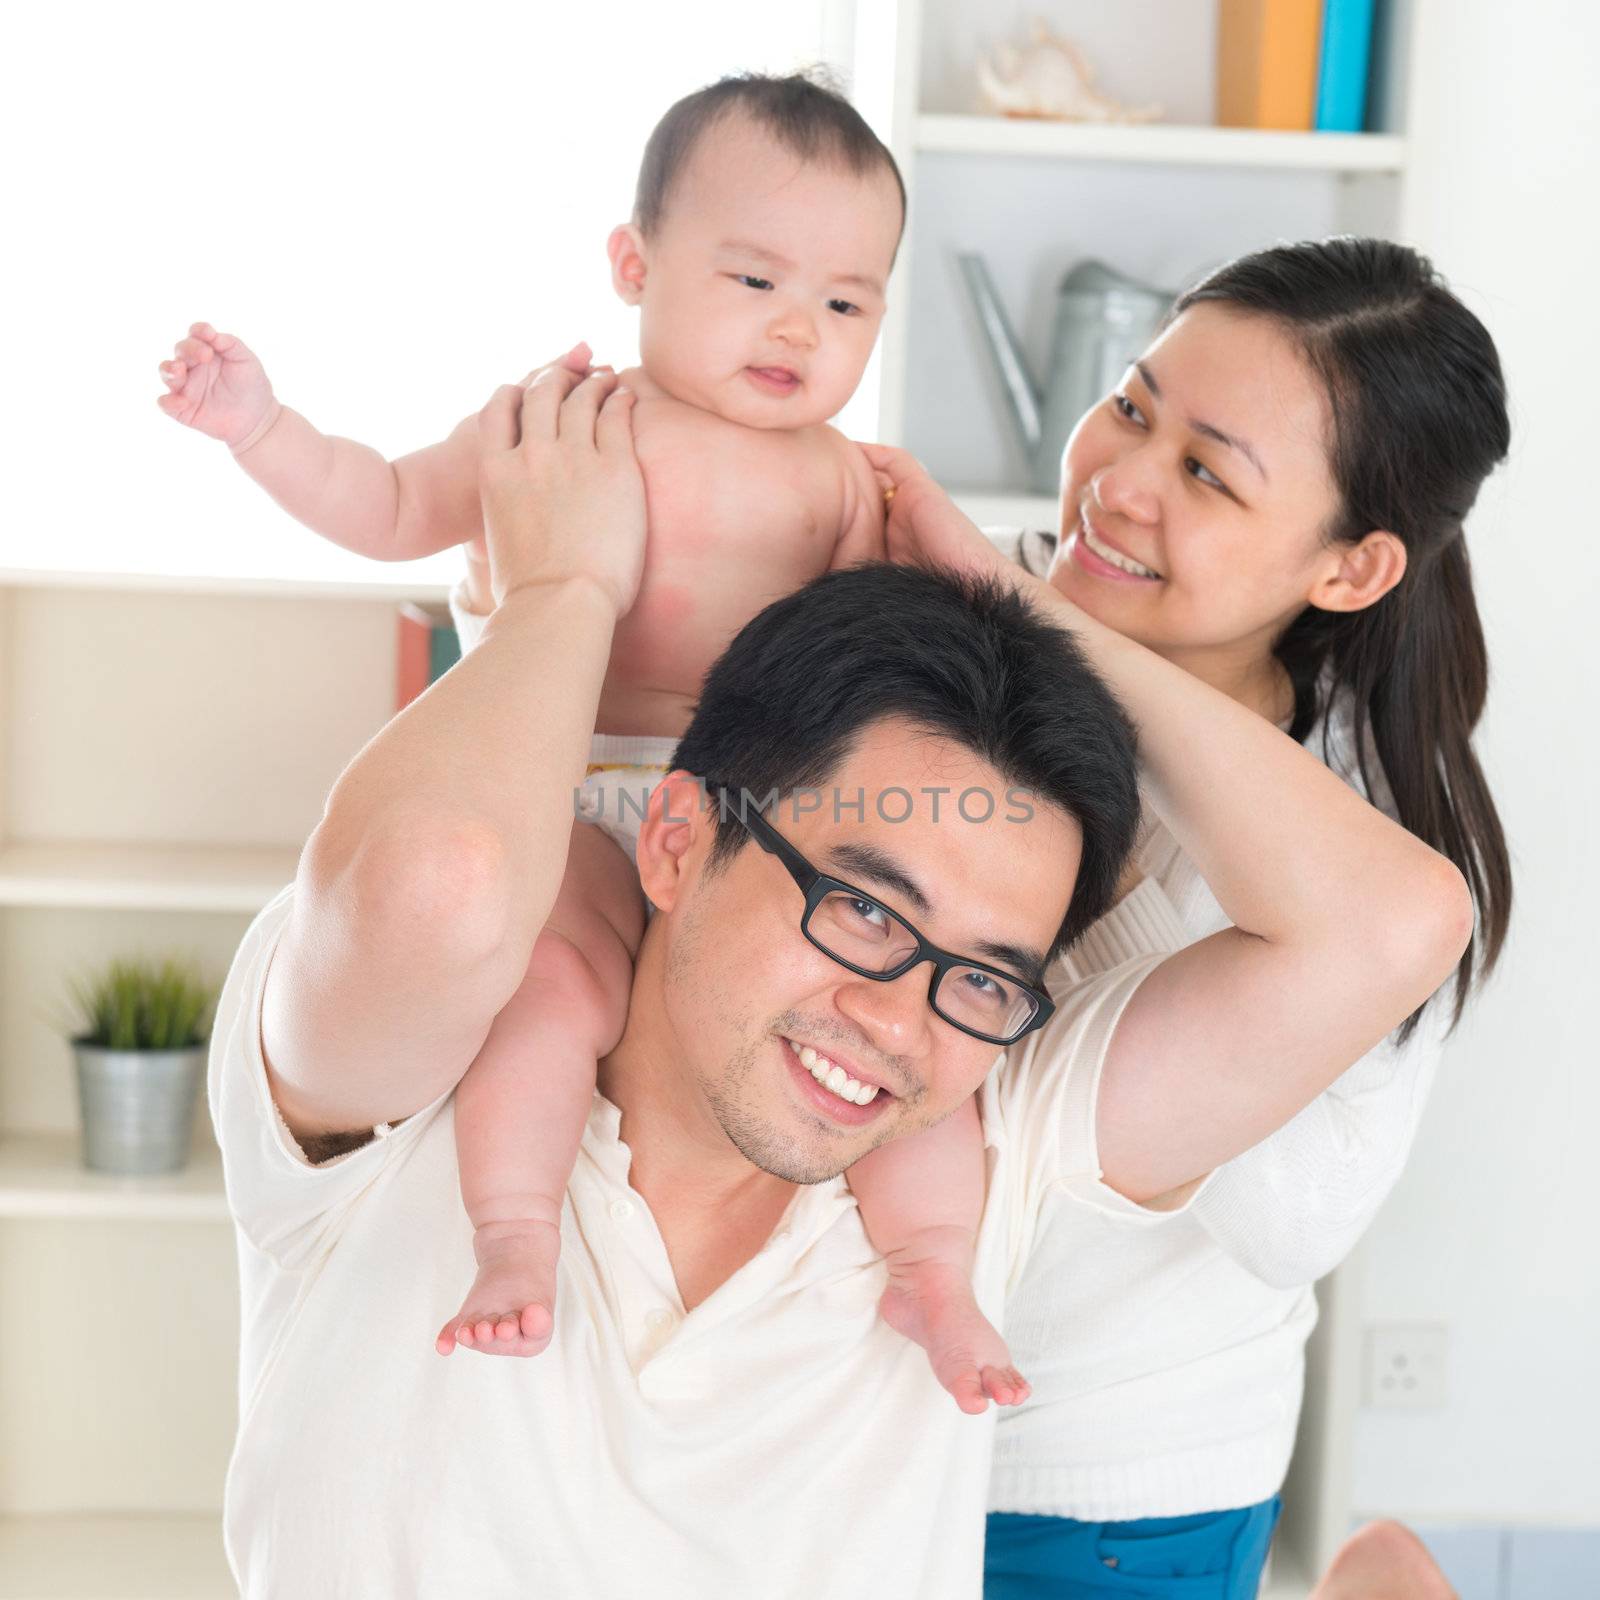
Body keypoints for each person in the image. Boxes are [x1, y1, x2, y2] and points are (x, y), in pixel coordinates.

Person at [201, 358, 1468, 1596]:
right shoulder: (412, 1100)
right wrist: (562, 592)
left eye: (984, 976)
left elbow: (1396, 926)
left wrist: (1036, 616)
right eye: (862, 907)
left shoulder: (979, 1159)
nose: (897, 1021)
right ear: (677, 837)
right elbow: (441, 873)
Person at [156, 69, 1032, 1407]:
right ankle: (514, 1241)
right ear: (635, 263)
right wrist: (262, 430)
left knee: (897, 1047)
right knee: (555, 993)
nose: (798, 325)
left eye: (845, 302)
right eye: (754, 282)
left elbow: (892, 685)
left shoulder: (847, 480)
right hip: (566, 798)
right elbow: (389, 502)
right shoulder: (564, 421)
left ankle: (934, 1270)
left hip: (753, 832)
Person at [863, 238, 1511, 1598]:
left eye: (1207, 474)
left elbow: (1298, 1222)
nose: (1119, 482)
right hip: (854, 1434)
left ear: (1349, 568)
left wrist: (1041, 631)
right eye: (1133, 405)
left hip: (1096, 1494)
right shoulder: (967, 611)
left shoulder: (1355, 837)